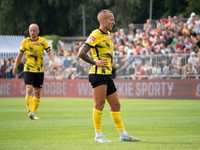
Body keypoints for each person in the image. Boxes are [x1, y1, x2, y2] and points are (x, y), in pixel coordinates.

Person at [78, 10, 140, 143]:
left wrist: (110, 61)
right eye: (111, 19)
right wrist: (95, 62)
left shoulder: (108, 35)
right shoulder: (95, 34)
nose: (114, 22)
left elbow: (103, 51)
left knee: (116, 105)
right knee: (99, 104)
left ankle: (123, 134)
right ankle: (98, 136)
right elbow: (81, 53)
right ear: (103, 20)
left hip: (107, 74)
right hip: (97, 74)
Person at [12, 23, 57, 120]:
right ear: (29, 31)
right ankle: (30, 112)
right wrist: (15, 67)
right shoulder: (25, 42)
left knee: (37, 92)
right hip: (28, 69)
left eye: (34, 30)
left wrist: (53, 62)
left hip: (39, 70)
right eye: (30, 30)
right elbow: (20, 55)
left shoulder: (43, 41)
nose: (32, 32)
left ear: (38, 31)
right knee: (29, 90)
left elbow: (49, 52)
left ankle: (33, 113)